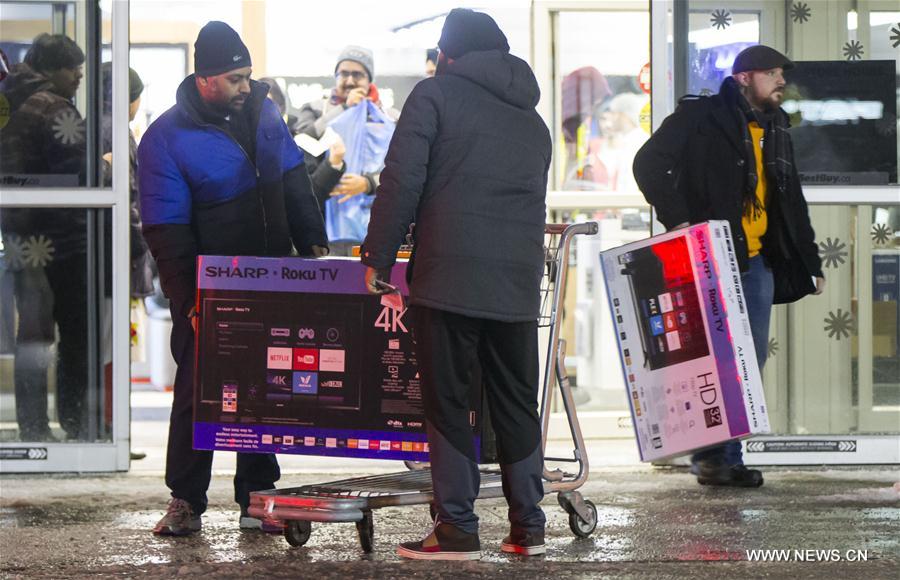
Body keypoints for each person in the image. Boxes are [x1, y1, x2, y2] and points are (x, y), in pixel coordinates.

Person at [361, 8, 552, 560]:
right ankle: (528, 527)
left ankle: (456, 529)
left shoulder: (434, 96)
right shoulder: (531, 120)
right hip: (516, 282)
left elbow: (403, 180)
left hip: (449, 278)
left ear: (448, 54)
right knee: (516, 400)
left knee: (446, 401)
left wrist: (378, 256)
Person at [138, 21, 328, 536]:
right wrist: (191, 299)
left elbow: (292, 177)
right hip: (210, 285)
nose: (247, 86)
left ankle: (258, 497)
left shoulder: (264, 111)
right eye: (236, 77)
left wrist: (313, 243)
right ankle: (185, 499)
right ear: (205, 78)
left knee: (267, 384)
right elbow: (165, 230)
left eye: (248, 75)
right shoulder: (165, 140)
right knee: (199, 389)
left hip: (273, 275)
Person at [633, 45, 825, 487]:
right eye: (771, 73)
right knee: (713, 359)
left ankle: (721, 457)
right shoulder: (701, 118)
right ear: (743, 78)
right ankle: (716, 458)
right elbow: (648, 164)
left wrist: (810, 261)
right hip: (710, 256)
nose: (780, 81)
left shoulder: (776, 129)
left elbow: (789, 201)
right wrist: (679, 218)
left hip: (757, 260)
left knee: (747, 360)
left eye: (781, 74)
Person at [0, 34, 88, 442]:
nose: (79, 78)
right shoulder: (55, 110)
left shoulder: (11, 101)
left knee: (32, 335)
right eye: (74, 69)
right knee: (74, 332)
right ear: (53, 70)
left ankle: (33, 426)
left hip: (20, 236)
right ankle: (77, 421)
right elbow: (81, 177)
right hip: (61, 239)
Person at [296, 45, 399, 253]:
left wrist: (369, 183)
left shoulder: (389, 118)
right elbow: (301, 140)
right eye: (344, 73)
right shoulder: (316, 109)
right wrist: (344, 109)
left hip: (372, 227)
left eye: (357, 74)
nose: (350, 81)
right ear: (335, 76)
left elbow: (403, 168)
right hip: (323, 224)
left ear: (369, 79)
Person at [259, 77, 348, 218]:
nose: (261, 114)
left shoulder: (298, 136)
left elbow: (310, 196)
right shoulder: (240, 140)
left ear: (280, 108)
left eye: (267, 106)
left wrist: (333, 163)